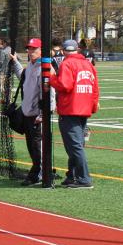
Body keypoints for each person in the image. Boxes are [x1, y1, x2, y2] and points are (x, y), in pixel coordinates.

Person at [52, 39, 100, 188]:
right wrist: (93, 106)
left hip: (70, 108)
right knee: (78, 144)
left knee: (74, 146)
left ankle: (84, 178)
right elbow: (95, 87)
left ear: (63, 51)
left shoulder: (66, 63)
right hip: (84, 108)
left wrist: (51, 79)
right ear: (77, 49)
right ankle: (72, 176)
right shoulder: (87, 64)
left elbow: (65, 85)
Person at [12, 38, 54, 186]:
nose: (30, 51)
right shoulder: (31, 65)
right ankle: (38, 171)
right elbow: (23, 78)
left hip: (37, 115)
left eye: (34, 49)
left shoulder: (45, 67)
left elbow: (49, 93)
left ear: (42, 50)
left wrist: (44, 114)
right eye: (29, 48)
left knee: (38, 146)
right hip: (28, 113)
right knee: (32, 146)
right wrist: (15, 62)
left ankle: (41, 173)